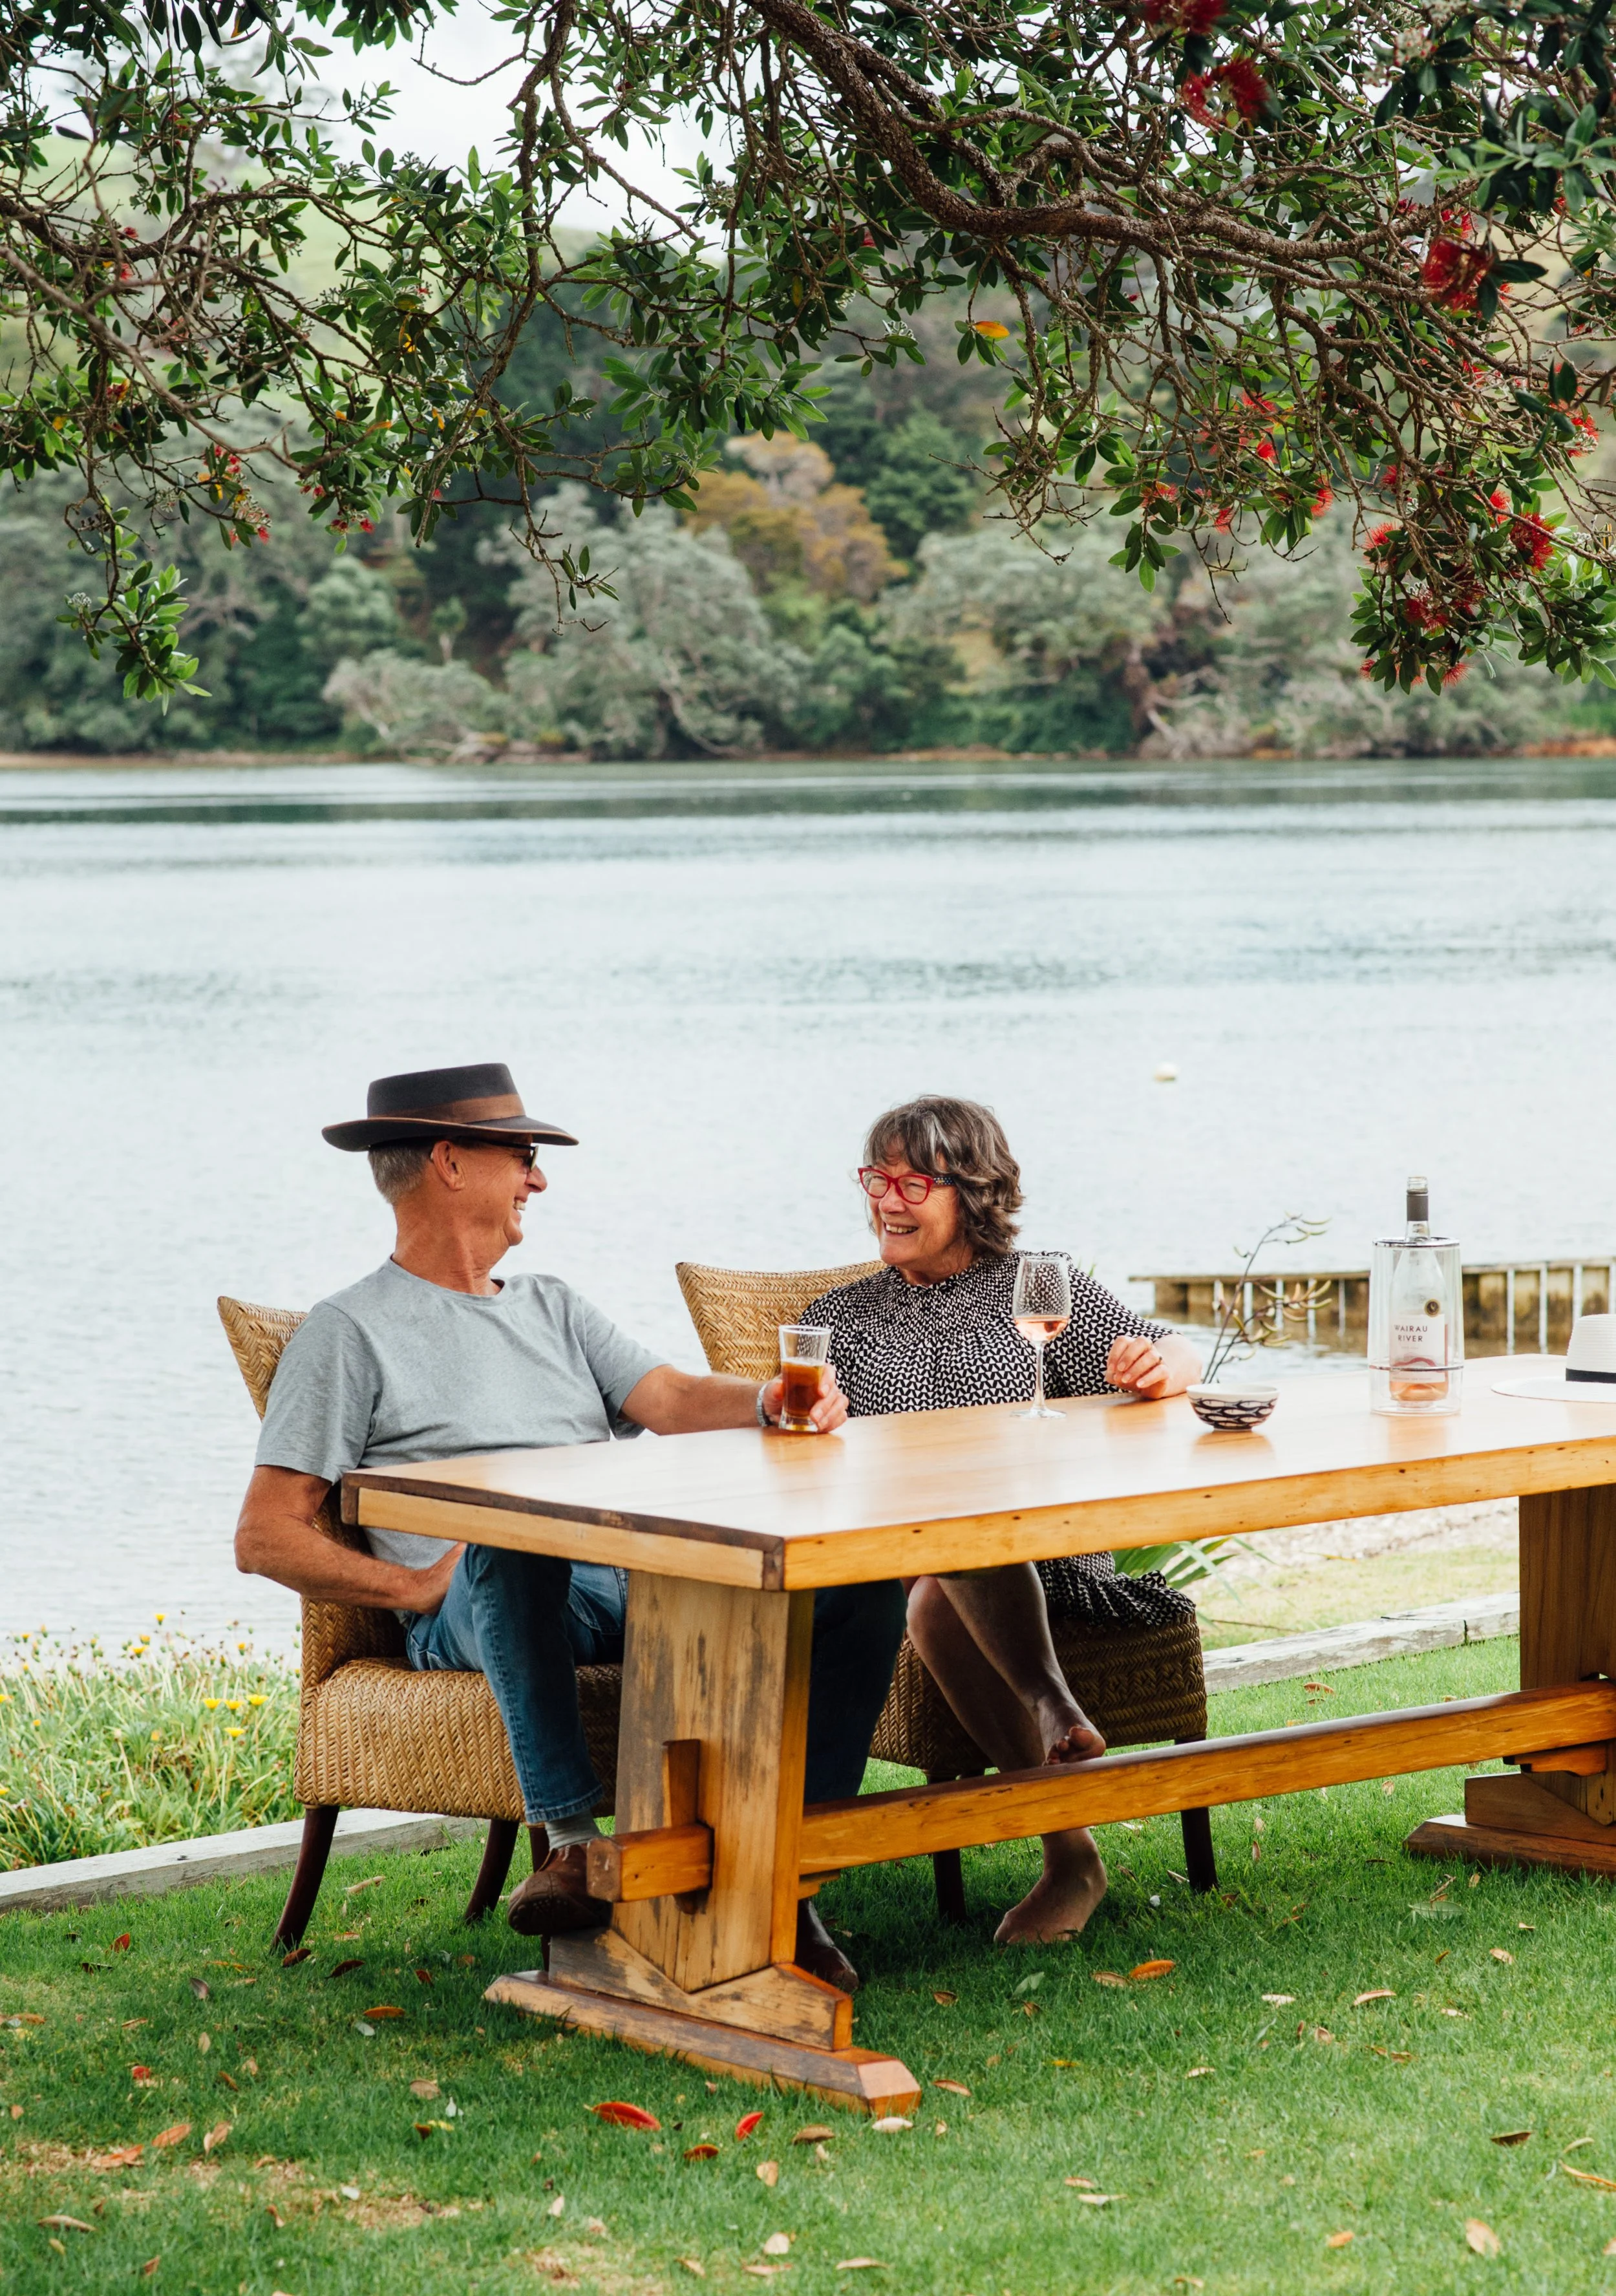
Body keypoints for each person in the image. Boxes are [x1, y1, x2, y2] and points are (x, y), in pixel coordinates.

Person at [235, 1063, 906, 1986]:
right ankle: (574, 1846)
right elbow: (264, 1535)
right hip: (481, 1598)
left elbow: (666, 1396)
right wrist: (415, 1586)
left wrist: (772, 1400)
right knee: (515, 1537)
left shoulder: (552, 1305)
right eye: (522, 1157)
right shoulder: (345, 1334)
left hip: (616, 1574)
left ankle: (790, 1869)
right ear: (450, 1164)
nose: (539, 1180)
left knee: (860, 1585)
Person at [804, 1095, 1202, 1947]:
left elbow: (1178, 1350)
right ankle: (1056, 1725)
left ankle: (1070, 1857)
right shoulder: (841, 1320)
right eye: (877, 1178)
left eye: (913, 1181)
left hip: (1049, 1567)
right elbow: (800, 1459)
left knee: (945, 1580)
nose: (887, 1199)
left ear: (973, 1191)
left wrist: (1154, 1367)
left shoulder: (1038, 1286)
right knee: (932, 1581)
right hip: (897, 1574)